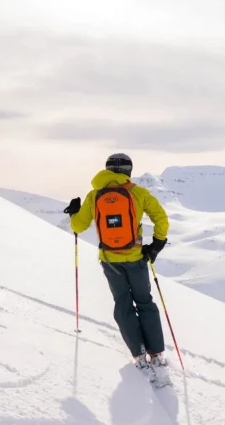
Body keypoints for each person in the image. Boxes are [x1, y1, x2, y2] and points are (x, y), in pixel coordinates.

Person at [64, 153, 170, 381]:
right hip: (136, 258)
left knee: (123, 304)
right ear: (129, 171)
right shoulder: (138, 193)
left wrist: (73, 212)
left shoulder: (94, 195)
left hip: (110, 260)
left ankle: (138, 355)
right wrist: (156, 245)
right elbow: (161, 218)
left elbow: (79, 226)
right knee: (145, 302)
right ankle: (156, 354)